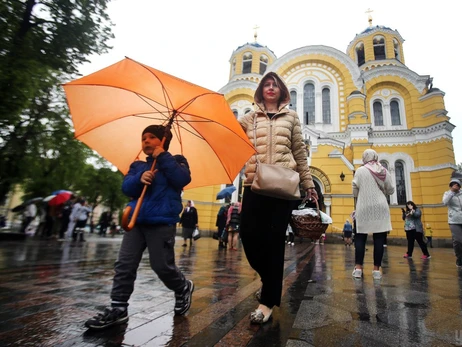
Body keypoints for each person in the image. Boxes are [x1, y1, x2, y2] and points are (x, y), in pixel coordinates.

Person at [85, 124, 194, 330]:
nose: (146, 141)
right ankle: (118, 308)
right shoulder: (137, 166)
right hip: (136, 221)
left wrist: (163, 158)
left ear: (163, 141)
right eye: (143, 138)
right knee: (124, 265)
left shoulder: (177, 161)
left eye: (152, 137)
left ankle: (182, 287)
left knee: (161, 266)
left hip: (161, 222)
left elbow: (182, 179)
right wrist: (139, 179)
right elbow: (126, 187)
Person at [238, 72, 318, 324]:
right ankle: (269, 280)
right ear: (260, 91)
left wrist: (308, 184)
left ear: (282, 91)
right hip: (254, 183)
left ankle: (268, 302)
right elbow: (230, 140)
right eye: (266, 85)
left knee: (273, 243)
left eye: (275, 85)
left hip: (283, 186)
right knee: (249, 237)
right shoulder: (248, 119)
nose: (270, 88)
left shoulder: (292, 117)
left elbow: (299, 152)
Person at [352, 149, 395, 280]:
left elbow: (354, 189)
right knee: (379, 239)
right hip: (381, 207)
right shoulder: (383, 171)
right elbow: (391, 190)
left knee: (360, 238)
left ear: (364, 157)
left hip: (363, 206)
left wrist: (361, 195)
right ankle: (376, 270)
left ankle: (358, 268)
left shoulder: (360, 170)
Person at [442, 178, 462, 267]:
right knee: (458, 240)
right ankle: (459, 258)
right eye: (453, 185)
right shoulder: (447, 194)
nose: (455, 186)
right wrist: (452, 192)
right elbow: (444, 202)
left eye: (457, 184)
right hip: (454, 220)